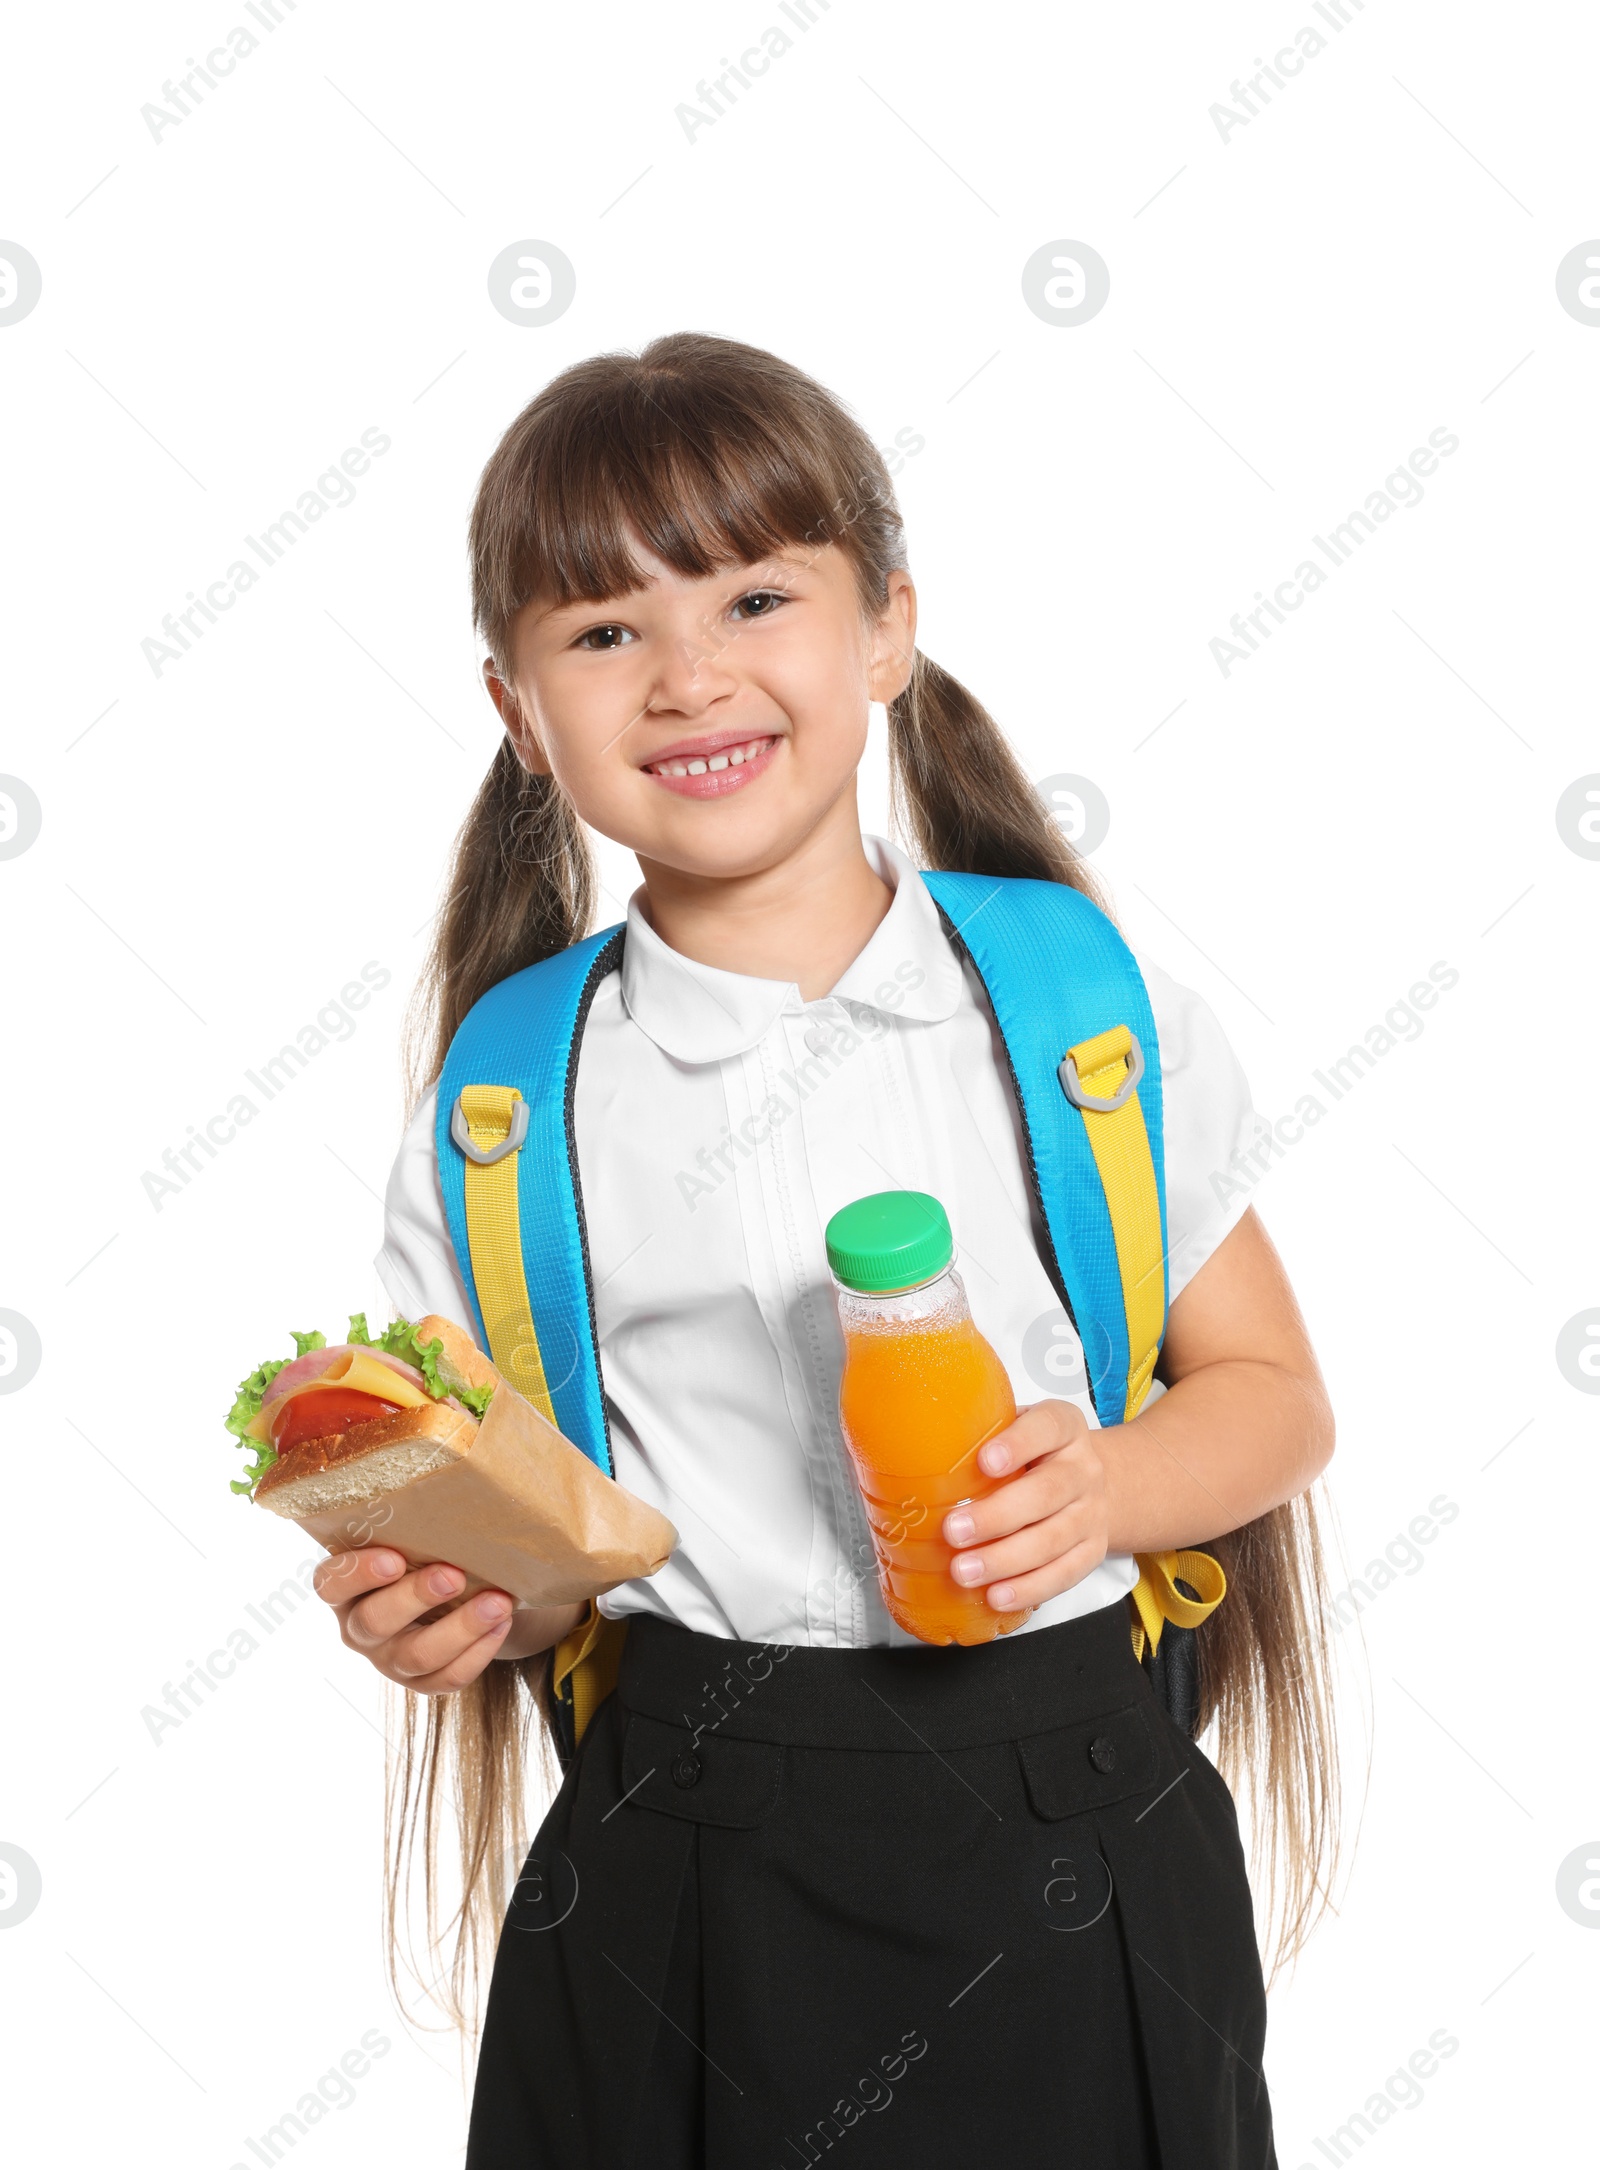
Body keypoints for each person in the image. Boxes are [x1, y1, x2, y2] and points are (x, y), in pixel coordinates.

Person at [314, 332, 1338, 2167]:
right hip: (684, 1848)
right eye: (604, 630)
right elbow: (556, 1567)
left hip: (1076, 1828)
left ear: (885, 629)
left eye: (756, 594)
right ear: (516, 708)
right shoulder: (507, 1107)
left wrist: (1103, 1485)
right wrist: (459, 1599)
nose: (690, 672)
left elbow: (1273, 1400)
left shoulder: (1074, 1005)